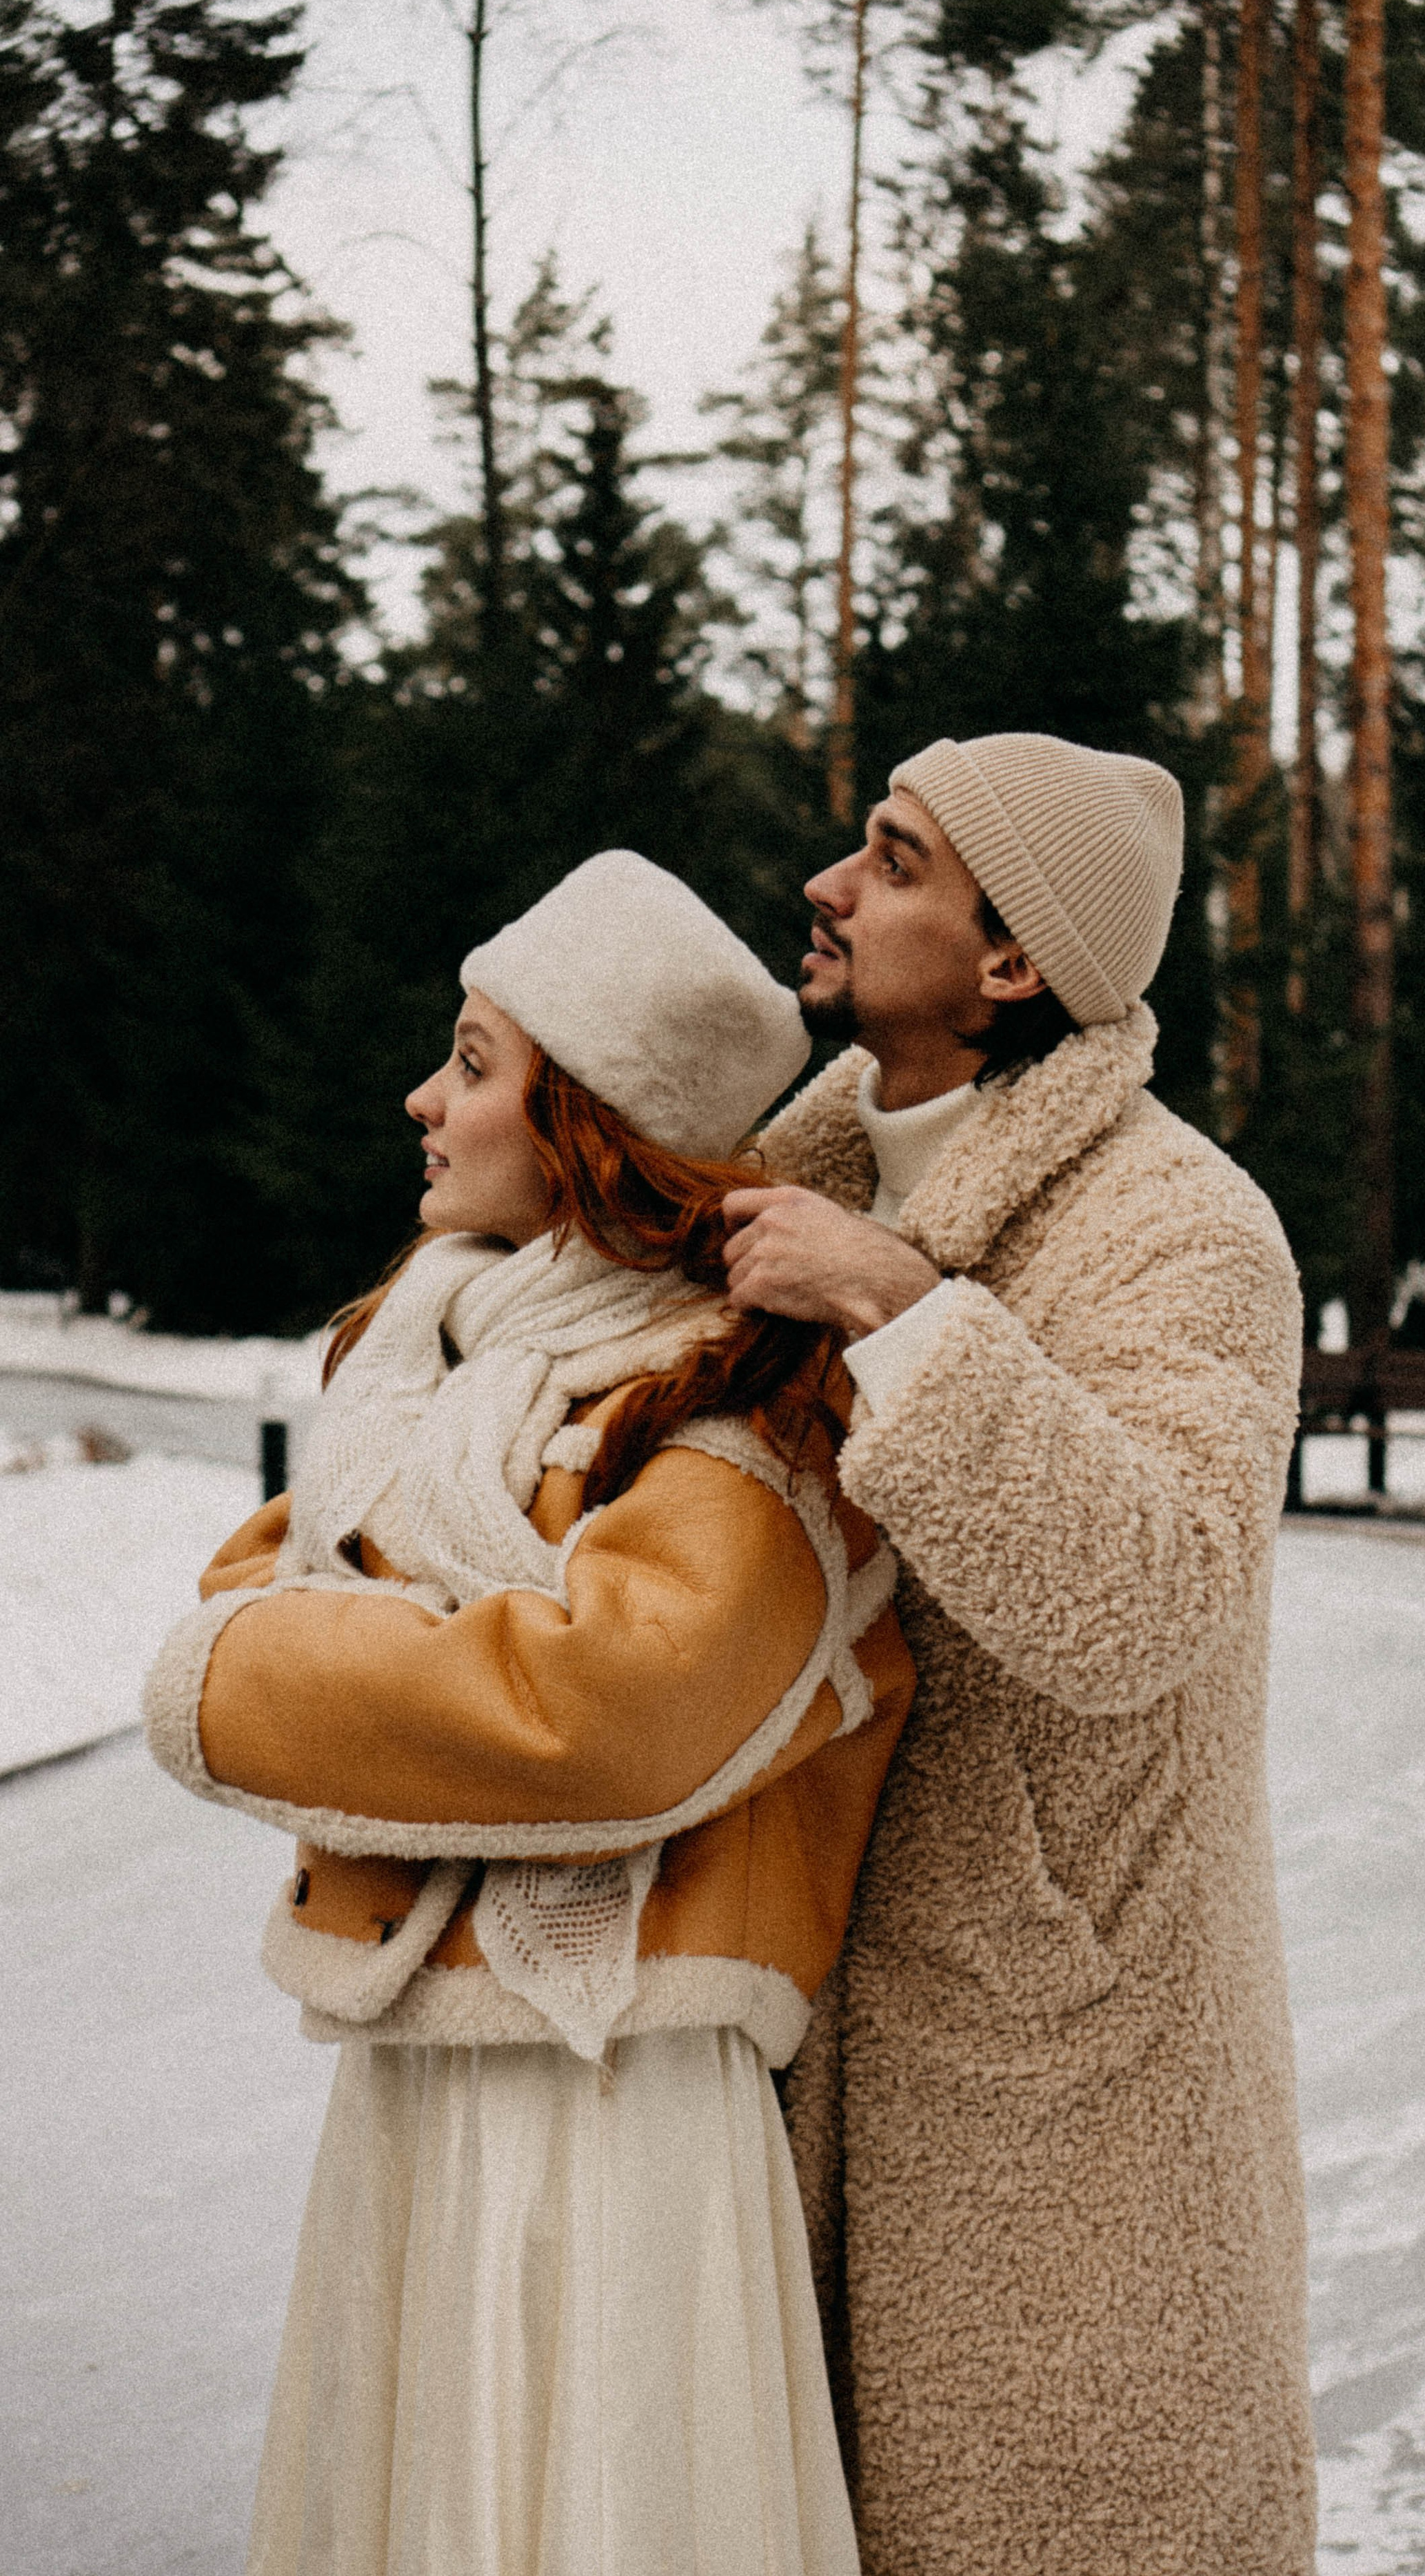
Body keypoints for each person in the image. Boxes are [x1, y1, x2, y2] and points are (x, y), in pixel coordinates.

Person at [144, 849, 914, 2576]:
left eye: (475, 1063)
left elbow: (606, 1716)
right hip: (426, 2071)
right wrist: (404, 1643)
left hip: (621, 2103)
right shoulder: (418, 1363)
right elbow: (252, 1595)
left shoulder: (752, 1390)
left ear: (590, 1123)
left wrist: (325, 1654)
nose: (424, 1099)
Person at [721, 733, 1315, 2575]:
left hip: (1071, 2096)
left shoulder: (1186, 1227)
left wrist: (909, 1317)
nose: (829, 883)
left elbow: (1151, 1597)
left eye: (892, 860)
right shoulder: (787, 1191)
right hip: (788, 2026)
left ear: (1011, 963)